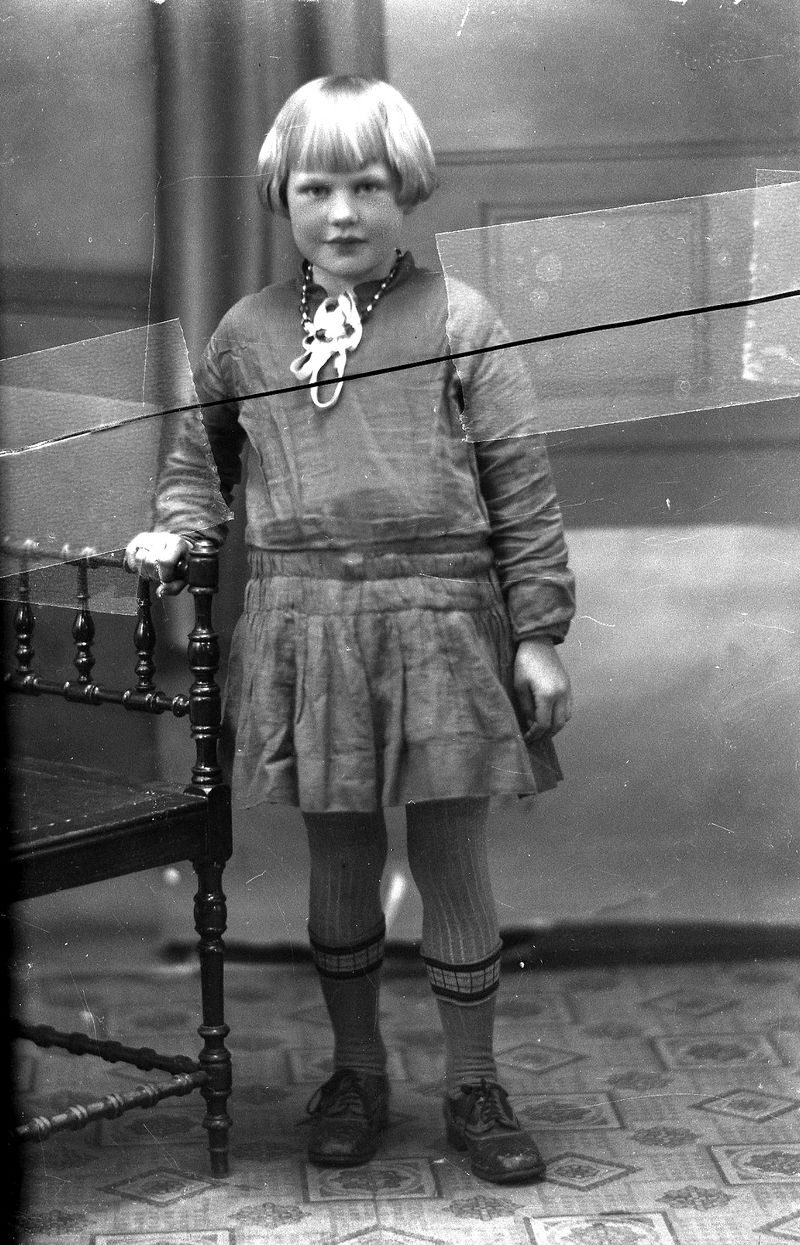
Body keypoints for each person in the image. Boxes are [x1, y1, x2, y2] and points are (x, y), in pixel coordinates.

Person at [126, 75, 575, 1185]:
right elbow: (198, 469)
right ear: (282, 197)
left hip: (441, 624)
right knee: (341, 853)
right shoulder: (245, 334)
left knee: (449, 854)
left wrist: (537, 634)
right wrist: (176, 532)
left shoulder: (461, 319)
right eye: (316, 189)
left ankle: (474, 1084)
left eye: (366, 186)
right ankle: (357, 1072)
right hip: (306, 627)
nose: (342, 213)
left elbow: (522, 491)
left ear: (404, 189)